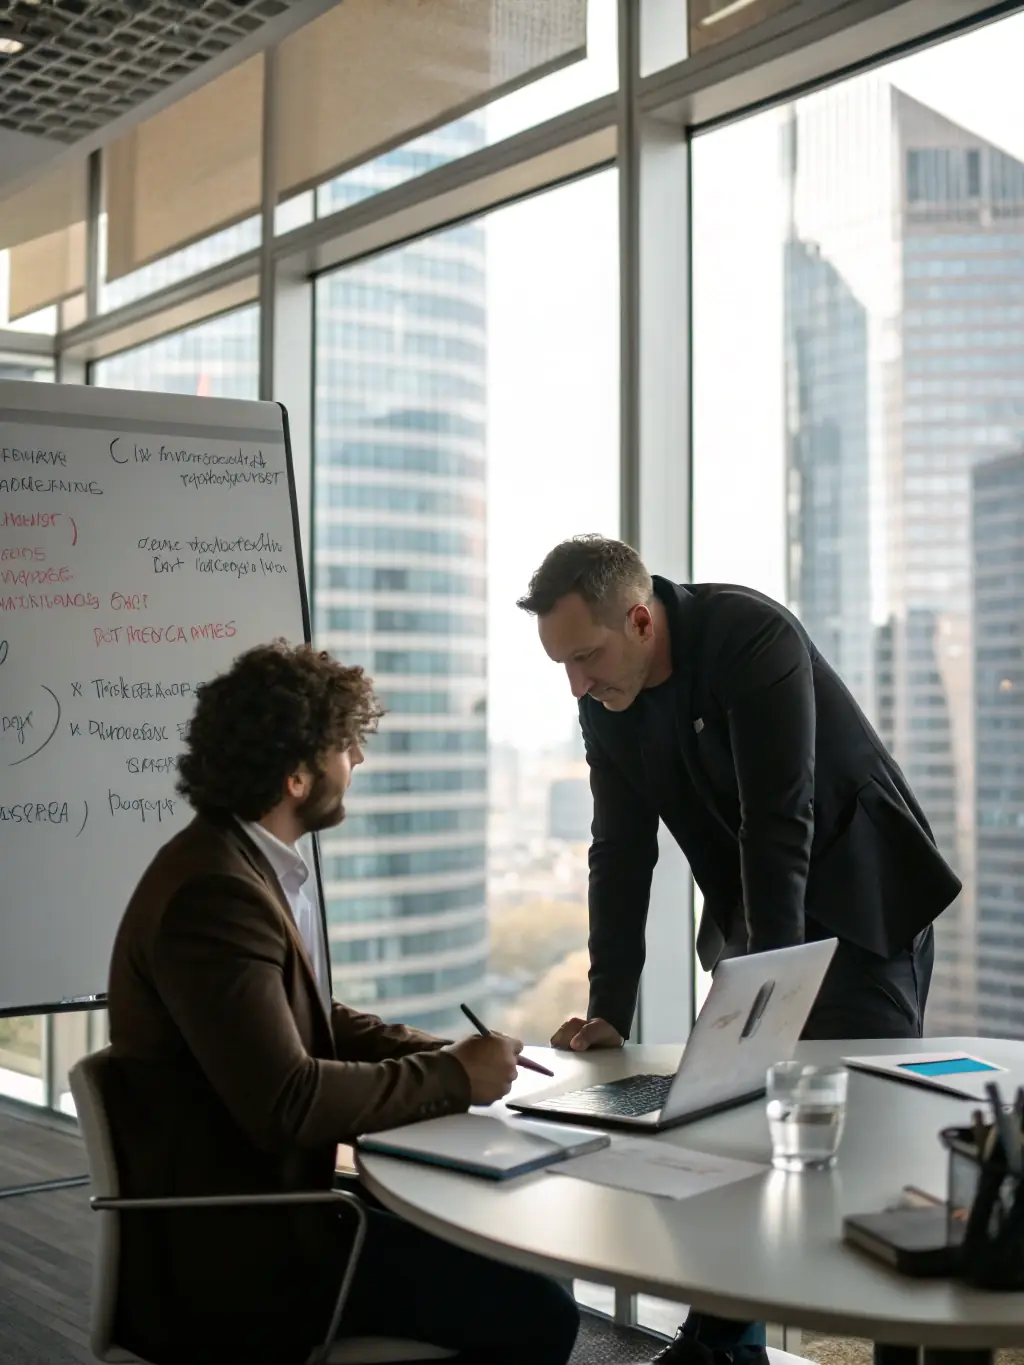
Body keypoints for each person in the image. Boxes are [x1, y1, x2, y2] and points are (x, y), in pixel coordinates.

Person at [517, 536, 962, 1365]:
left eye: (584, 656)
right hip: (763, 920)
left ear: (641, 619)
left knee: (874, 1149)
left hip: (862, 907)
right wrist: (609, 1006)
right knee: (736, 1132)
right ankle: (725, 1345)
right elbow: (620, 851)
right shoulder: (603, 699)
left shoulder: (750, 637)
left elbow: (778, 822)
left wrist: (772, 994)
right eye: (561, 665)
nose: (575, 683)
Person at [105, 640, 579, 1365]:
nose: (356, 761)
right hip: (242, 1258)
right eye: (344, 746)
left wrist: (444, 1055)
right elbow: (286, 1100)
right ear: (296, 776)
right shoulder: (216, 895)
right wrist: (454, 1079)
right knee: (538, 1309)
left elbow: (312, 1022)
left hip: (272, 1214)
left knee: (528, 1269)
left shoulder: (234, 862)